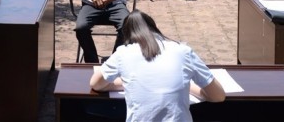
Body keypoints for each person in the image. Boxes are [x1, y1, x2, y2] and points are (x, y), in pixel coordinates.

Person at [90, 10, 226, 122]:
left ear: (127, 36)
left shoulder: (123, 53)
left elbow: (96, 84)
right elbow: (218, 96)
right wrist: (187, 86)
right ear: (154, 28)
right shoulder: (183, 51)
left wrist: (124, 83)